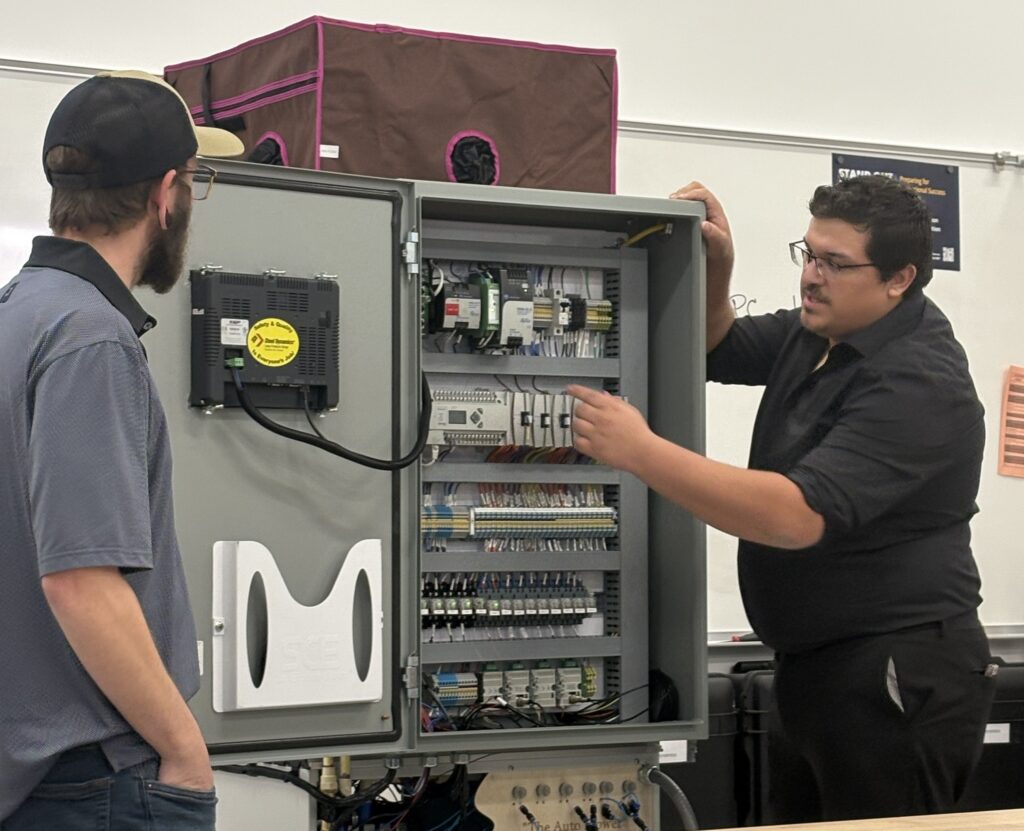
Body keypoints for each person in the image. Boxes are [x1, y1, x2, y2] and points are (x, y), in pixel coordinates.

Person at [569, 175, 997, 821]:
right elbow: (717, 346)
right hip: (814, 665)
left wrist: (640, 451)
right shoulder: (820, 331)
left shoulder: (919, 380)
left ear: (899, 278)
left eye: (835, 263)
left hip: (895, 670)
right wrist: (718, 263)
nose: (811, 277)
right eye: (809, 253)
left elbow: (795, 516)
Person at [0, 70, 242, 829]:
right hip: (94, 780)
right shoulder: (89, 338)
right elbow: (81, 581)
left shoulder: (17, 314)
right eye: (195, 183)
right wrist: (184, 751)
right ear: (166, 194)